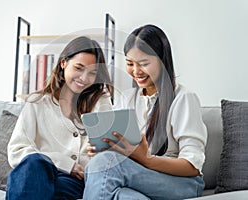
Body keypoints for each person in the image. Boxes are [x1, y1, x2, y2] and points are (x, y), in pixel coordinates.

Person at [83, 25, 207, 200]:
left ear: (162, 61)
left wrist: (147, 159)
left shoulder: (183, 98)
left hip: (182, 183)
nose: (136, 71)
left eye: (144, 63)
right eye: (129, 63)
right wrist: (100, 148)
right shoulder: (128, 98)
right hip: (141, 179)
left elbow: (192, 166)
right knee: (121, 191)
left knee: (104, 164)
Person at [6, 36, 113, 200]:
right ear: (63, 63)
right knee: (34, 164)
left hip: (76, 183)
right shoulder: (37, 102)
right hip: (39, 173)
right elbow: (18, 150)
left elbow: (107, 152)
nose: (84, 78)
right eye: (79, 68)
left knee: (43, 188)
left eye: (92, 73)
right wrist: (65, 164)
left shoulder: (100, 101)